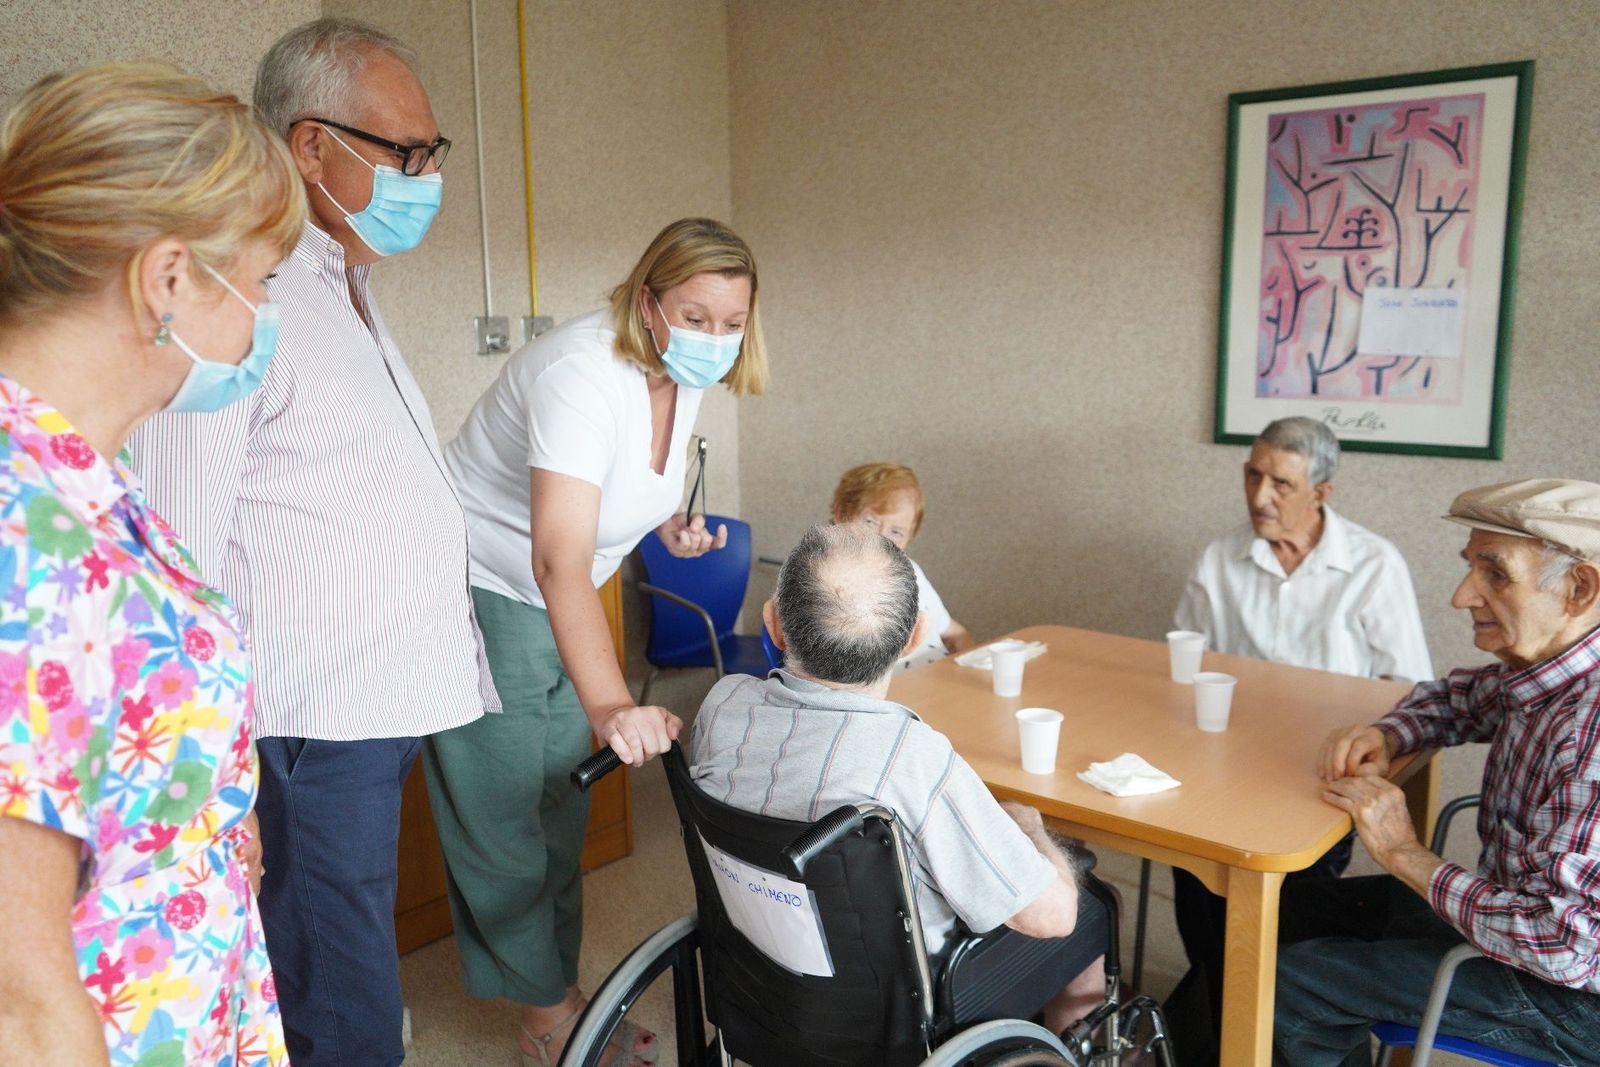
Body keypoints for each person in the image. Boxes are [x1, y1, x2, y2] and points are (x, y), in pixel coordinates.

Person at [127, 19, 496, 1066]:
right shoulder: (239, 302)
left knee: (342, 952)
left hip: (365, 706)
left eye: (432, 152)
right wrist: (216, 760)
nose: (426, 178)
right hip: (301, 720)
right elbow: (179, 550)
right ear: (311, 146)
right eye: (405, 152)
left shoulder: (339, 287)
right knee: (338, 989)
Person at [0, 61, 304, 1066]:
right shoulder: (24, 530)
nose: (264, 314)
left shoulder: (83, 474)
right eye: (263, 280)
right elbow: (17, 998)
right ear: (168, 278)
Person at [434, 217, 768, 1065]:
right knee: (504, 813)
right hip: (484, 586)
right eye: (696, 317)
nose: (715, 338)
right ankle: (546, 1019)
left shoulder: (680, 370)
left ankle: (559, 988)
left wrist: (666, 524)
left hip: (572, 589)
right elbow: (556, 557)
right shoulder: (580, 373)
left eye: (733, 323)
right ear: (647, 302)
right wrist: (615, 703)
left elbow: (609, 485)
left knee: (561, 800)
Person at [692, 523, 1107, 1032]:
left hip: (758, 973)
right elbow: (1051, 917)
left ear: (774, 624)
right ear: (914, 637)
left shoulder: (724, 705)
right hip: (901, 1007)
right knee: (1091, 909)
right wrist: (1028, 827)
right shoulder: (910, 758)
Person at [1274, 478, 1600, 1065]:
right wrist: (1387, 733)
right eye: (1470, 568)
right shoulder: (1554, 672)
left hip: (1571, 994)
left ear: (1579, 589)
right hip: (1515, 919)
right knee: (1283, 910)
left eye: (1495, 574)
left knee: (1294, 983)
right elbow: (1458, 699)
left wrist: (1403, 852)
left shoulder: (1590, 733)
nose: (1462, 596)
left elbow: (1561, 944)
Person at [1168, 416, 1433, 1057]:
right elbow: (1186, 664)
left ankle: (1263, 1015)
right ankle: (1221, 1013)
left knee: (1289, 899)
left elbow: (1410, 687)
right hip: (1225, 759)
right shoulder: (1219, 558)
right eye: (1252, 475)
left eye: (1281, 483)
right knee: (1195, 869)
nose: (1260, 496)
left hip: (1319, 770)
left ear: (1322, 492)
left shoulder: (1373, 564)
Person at [830, 462, 975, 668]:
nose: (881, 539)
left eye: (896, 532)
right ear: (839, 512)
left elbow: (956, 634)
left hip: (941, 681)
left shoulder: (909, 570)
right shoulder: (824, 580)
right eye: (870, 522)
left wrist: (968, 669)